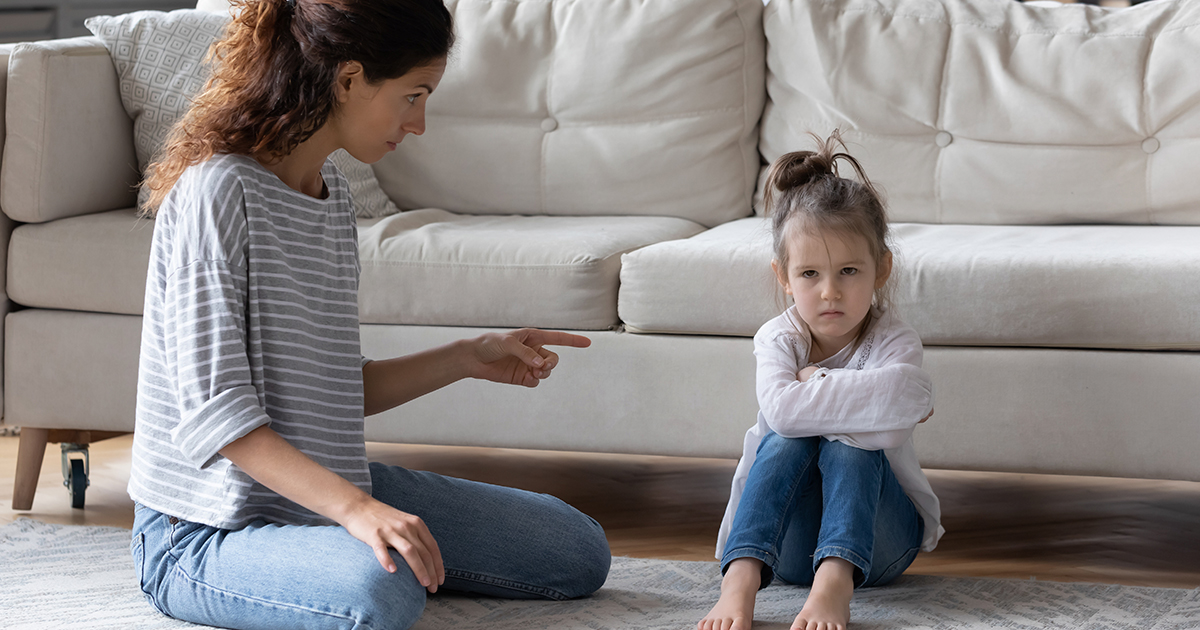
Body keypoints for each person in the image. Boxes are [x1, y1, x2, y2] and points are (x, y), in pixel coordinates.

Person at [128, 0, 611, 628]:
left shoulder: (329, 201)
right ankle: (337, 558)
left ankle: (337, 551)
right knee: (380, 588)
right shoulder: (216, 192)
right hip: (201, 531)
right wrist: (357, 510)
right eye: (414, 95)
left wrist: (470, 356)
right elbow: (216, 418)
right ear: (349, 79)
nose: (420, 123)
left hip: (313, 498)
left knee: (573, 549)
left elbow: (334, 389)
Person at [698, 132, 943, 630]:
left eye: (849, 270)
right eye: (809, 273)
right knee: (786, 438)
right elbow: (786, 413)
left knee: (851, 446)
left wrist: (814, 381)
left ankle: (834, 584)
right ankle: (740, 580)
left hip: (879, 548)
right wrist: (878, 399)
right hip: (784, 553)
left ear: (881, 270)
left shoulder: (896, 340)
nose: (830, 292)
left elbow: (892, 428)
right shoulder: (776, 338)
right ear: (784, 276)